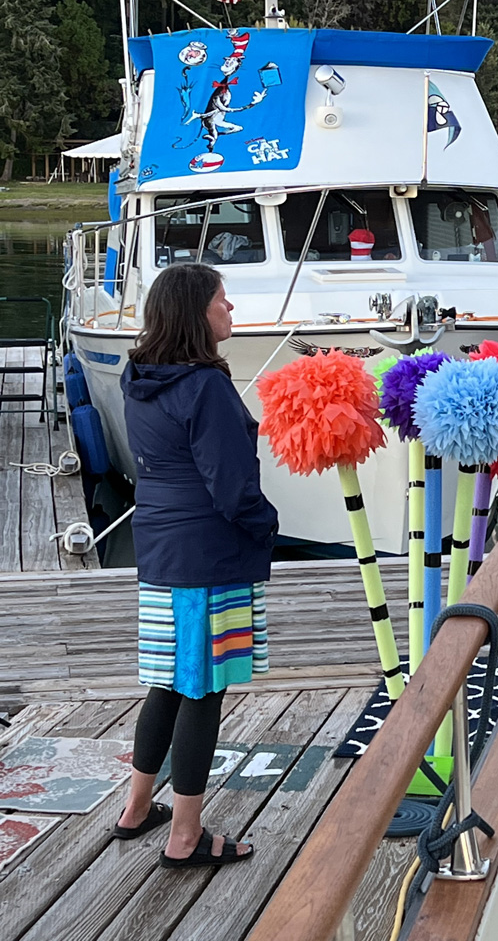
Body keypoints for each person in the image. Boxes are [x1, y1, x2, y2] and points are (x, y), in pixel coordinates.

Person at [114, 263, 278, 868]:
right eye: (221, 301)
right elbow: (231, 487)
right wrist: (267, 524)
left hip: (161, 549)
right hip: (205, 557)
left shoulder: (140, 377)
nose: (230, 310)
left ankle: (136, 808)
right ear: (195, 313)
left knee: (168, 682)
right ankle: (185, 836)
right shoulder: (204, 386)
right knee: (203, 690)